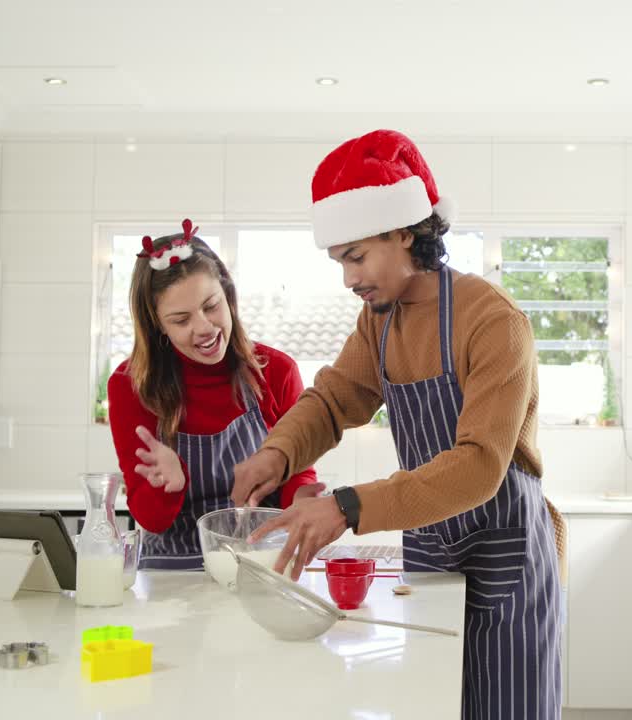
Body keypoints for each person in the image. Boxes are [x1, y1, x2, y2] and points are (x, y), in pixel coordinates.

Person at [233, 131, 565, 718]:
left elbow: (480, 465)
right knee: (431, 700)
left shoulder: (493, 322)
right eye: (340, 262)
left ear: (405, 231)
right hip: (433, 549)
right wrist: (277, 452)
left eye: (356, 257)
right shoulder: (379, 321)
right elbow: (336, 398)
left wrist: (347, 506)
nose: (348, 279)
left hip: (504, 557)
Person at [107, 218, 320, 570]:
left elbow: (297, 472)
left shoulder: (276, 371)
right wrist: (168, 485)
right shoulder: (132, 386)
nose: (204, 328)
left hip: (262, 566)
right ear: (157, 324)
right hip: (172, 578)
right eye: (181, 320)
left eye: (211, 306)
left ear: (228, 296)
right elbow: (150, 519)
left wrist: (301, 498)